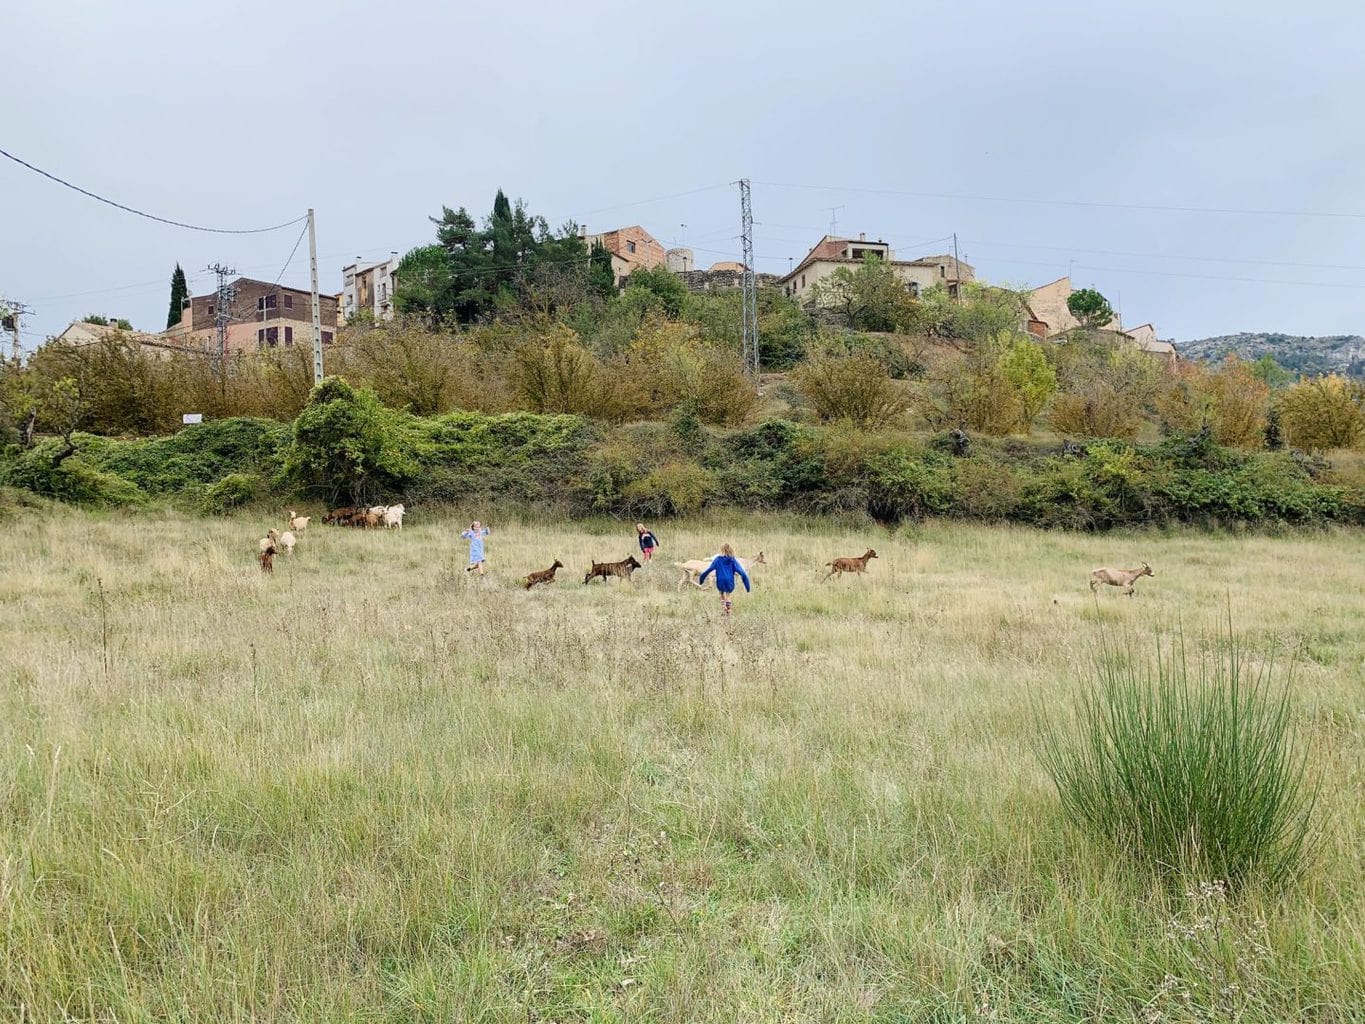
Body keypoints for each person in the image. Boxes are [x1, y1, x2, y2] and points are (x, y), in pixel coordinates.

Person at [697, 543, 751, 618]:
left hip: (720, 580)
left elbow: (709, 569)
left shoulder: (718, 559)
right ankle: (728, 611)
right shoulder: (732, 560)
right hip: (729, 580)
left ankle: (724, 607)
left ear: (721, 550)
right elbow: (742, 572)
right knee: (728, 594)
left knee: (721, 594)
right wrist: (747, 586)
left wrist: (701, 579)